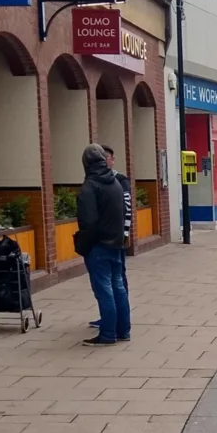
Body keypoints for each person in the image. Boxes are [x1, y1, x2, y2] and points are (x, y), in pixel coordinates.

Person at [75, 143, 131, 346]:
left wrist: (83, 245)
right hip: (116, 244)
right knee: (118, 287)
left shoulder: (90, 186)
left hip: (98, 245)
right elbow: (122, 213)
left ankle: (107, 334)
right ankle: (123, 330)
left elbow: (88, 222)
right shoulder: (115, 183)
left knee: (104, 290)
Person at [90, 146, 132, 330]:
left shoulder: (120, 181)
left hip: (116, 239)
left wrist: (125, 234)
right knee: (111, 282)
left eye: (106, 158)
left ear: (112, 160)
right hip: (109, 237)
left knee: (117, 280)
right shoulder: (98, 181)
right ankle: (109, 318)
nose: (104, 161)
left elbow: (126, 210)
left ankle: (118, 321)